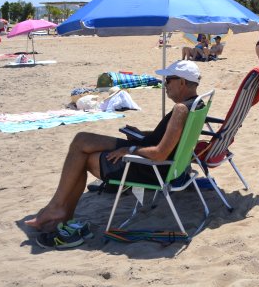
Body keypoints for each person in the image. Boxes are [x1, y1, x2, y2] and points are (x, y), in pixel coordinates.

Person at [25, 61, 203, 242]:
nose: (165, 84)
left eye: (168, 80)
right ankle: (59, 210)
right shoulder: (197, 104)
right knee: (82, 140)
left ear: (182, 82)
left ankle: (59, 210)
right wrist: (142, 134)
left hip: (151, 168)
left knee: (84, 156)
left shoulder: (180, 109)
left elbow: (160, 154)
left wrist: (130, 149)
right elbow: (171, 137)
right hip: (161, 163)